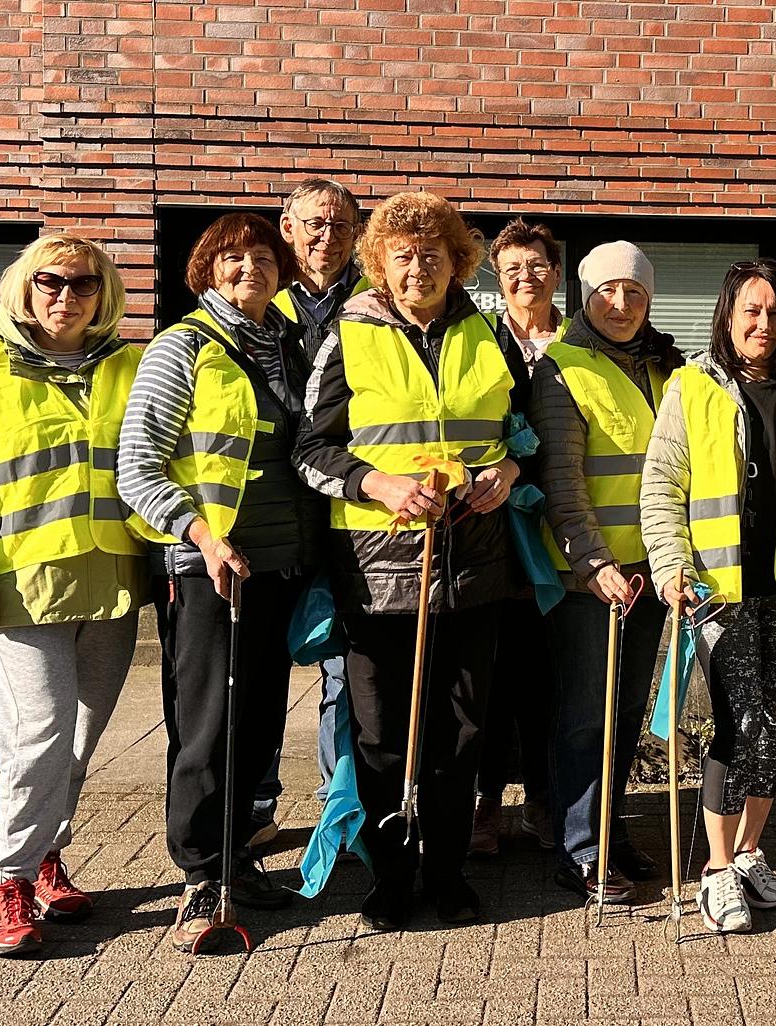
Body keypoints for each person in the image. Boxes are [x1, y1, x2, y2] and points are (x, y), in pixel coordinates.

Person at [293, 191, 534, 930]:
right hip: (377, 573)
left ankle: (449, 873)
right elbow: (309, 449)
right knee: (378, 734)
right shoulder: (349, 333)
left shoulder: (489, 332)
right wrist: (376, 482)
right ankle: (390, 877)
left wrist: (510, 474)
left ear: (457, 262)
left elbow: (523, 436)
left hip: (473, 565)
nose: (417, 267)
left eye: (432, 254)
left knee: (461, 730)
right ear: (380, 263)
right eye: (402, 255)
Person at [0, 233, 144, 957]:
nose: (66, 297)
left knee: (78, 741)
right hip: (21, 590)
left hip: (109, 584)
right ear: (25, 285)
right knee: (37, 741)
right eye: (51, 282)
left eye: (83, 285)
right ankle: (8, 881)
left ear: (104, 294)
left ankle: (49, 858)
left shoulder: (130, 367)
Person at [117, 212, 322, 952]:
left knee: (260, 722)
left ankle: (239, 856)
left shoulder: (289, 347)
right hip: (210, 569)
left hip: (278, 566)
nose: (250, 270)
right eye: (232, 260)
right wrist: (201, 534)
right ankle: (202, 874)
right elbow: (136, 465)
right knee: (206, 725)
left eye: (264, 259)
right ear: (206, 271)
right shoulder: (184, 348)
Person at [640, 259, 776, 933]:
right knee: (736, 726)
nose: (763, 325)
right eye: (751, 312)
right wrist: (670, 566)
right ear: (729, 317)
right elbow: (660, 490)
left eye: (774, 312)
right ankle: (714, 870)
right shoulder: (689, 388)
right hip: (717, 592)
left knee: (773, 724)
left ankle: (746, 855)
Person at [531, 240, 684, 902]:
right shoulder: (562, 367)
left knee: (623, 714)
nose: (620, 304)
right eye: (607, 291)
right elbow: (563, 483)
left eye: (635, 293)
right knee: (584, 714)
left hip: (648, 574)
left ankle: (610, 829)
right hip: (588, 579)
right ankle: (581, 848)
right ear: (585, 297)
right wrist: (593, 561)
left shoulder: (661, 369)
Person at [250, 177, 368, 848]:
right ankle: (258, 804)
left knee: (345, 673)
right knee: (262, 672)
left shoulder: (373, 306)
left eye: (341, 226)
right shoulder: (259, 306)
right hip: (274, 518)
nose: (327, 236)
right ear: (287, 227)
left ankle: (340, 807)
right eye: (314, 224)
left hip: (351, 519)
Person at [471, 218, 569, 855]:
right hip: (493, 531)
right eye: (511, 269)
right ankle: (484, 804)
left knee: (546, 675)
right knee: (489, 674)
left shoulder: (581, 340)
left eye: (536, 266)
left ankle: (541, 799)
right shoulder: (477, 338)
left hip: (563, 528)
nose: (524, 278)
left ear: (556, 272)